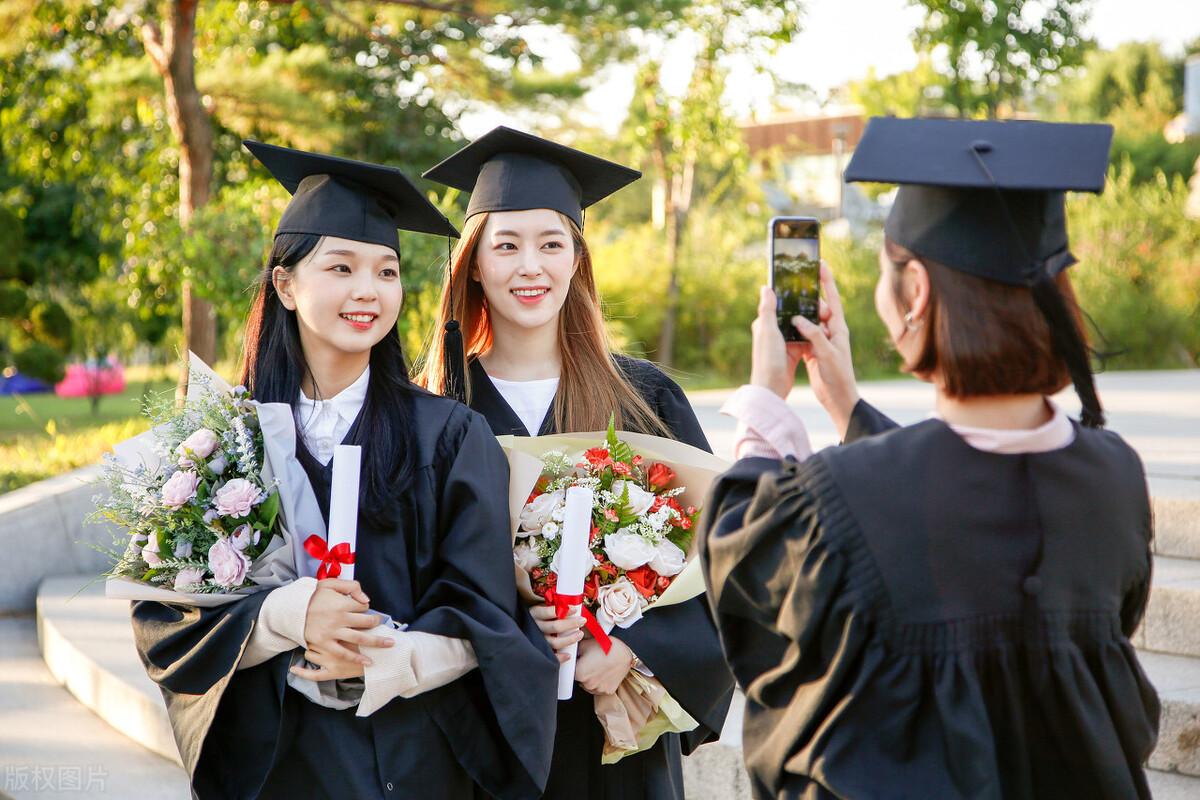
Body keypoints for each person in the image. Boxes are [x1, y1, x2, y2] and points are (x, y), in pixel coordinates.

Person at [698, 117, 1161, 799]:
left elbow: (749, 585)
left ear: (915, 291)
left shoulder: (845, 493)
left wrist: (767, 397)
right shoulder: (1116, 475)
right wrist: (846, 406)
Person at [130, 141, 558, 800]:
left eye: (386, 272)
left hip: (417, 764)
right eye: (342, 267)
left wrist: (386, 654)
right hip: (280, 764)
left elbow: (488, 615)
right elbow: (164, 613)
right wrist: (285, 614)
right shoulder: (221, 443)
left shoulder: (447, 436)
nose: (368, 291)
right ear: (285, 284)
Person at [417, 126, 736, 799]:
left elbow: (717, 566)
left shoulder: (644, 399)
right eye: (506, 246)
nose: (529, 267)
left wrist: (633, 649)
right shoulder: (436, 411)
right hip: (480, 744)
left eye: (550, 244)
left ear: (576, 261)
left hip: (612, 746)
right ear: (474, 264)